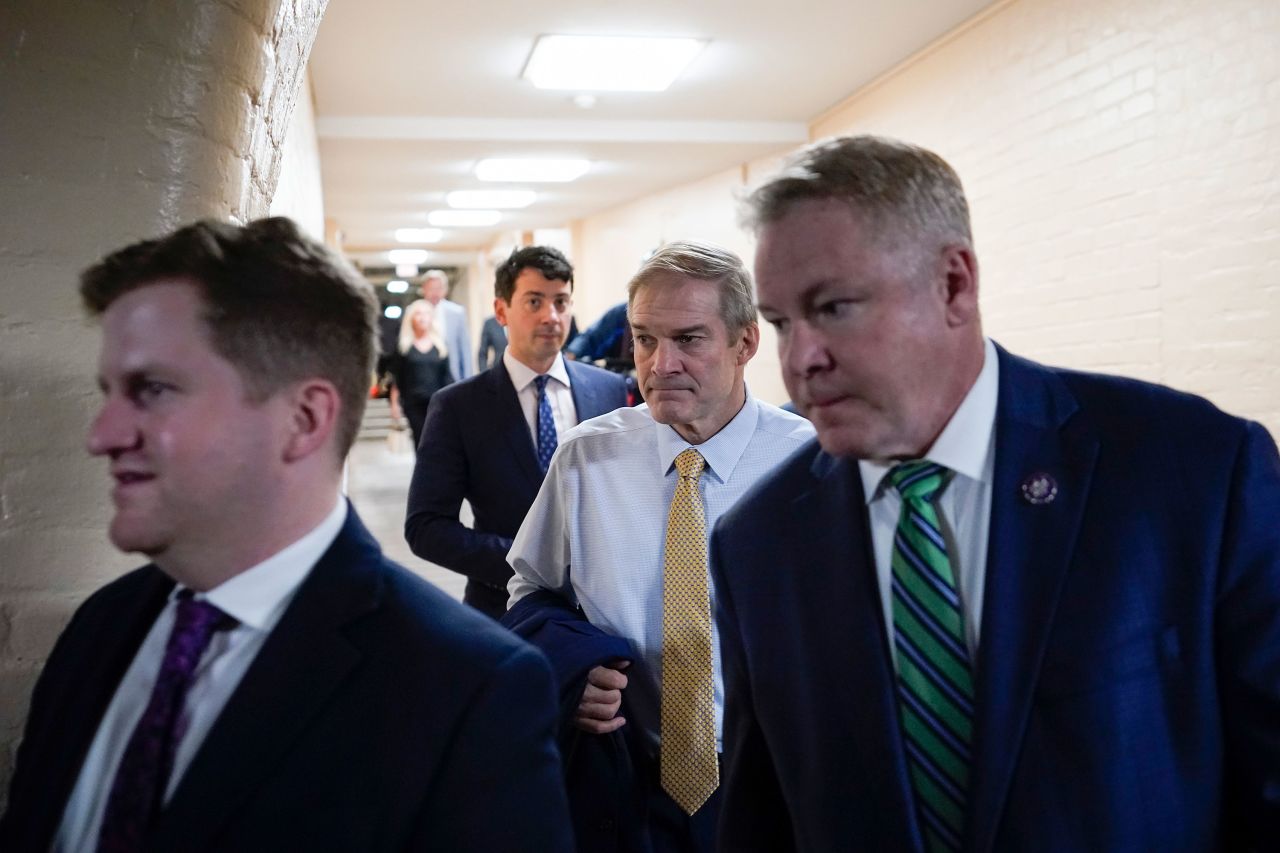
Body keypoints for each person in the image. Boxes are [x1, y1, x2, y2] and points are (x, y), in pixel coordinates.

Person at [712, 135, 1280, 851]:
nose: (800, 361)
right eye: (781, 323)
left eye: (833, 308)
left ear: (954, 283)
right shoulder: (759, 545)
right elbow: (762, 823)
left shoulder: (1192, 471)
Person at [0, 218, 572, 852]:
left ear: (304, 420)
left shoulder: (465, 691)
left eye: (153, 390)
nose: (100, 435)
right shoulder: (101, 629)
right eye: (109, 392)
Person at [505, 241, 814, 853]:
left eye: (689, 340)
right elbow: (530, 590)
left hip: (771, 783)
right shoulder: (586, 457)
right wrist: (571, 669)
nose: (660, 363)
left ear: (745, 343)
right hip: (626, 783)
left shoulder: (808, 462)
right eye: (645, 339)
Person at [405, 246, 628, 620]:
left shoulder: (607, 391)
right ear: (501, 310)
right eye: (534, 302)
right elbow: (426, 527)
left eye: (561, 302)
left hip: (602, 612)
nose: (551, 316)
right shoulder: (459, 406)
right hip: (504, 611)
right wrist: (528, 563)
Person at [388, 298, 453, 448]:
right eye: (418, 314)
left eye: (426, 314)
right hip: (413, 404)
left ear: (432, 318)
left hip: (438, 404)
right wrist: (395, 404)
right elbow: (398, 379)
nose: (422, 318)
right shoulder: (404, 348)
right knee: (421, 443)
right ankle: (423, 471)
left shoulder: (440, 347)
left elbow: (448, 377)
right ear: (411, 319)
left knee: (439, 443)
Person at [421, 268, 473, 381]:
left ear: (445, 290)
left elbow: (464, 349)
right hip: (426, 376)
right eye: (431, 288)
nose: (435, 292)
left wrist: (468, 380)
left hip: (451, 375)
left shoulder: (457, 312)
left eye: (438, 288)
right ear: (424, 289)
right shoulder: (416, 312)